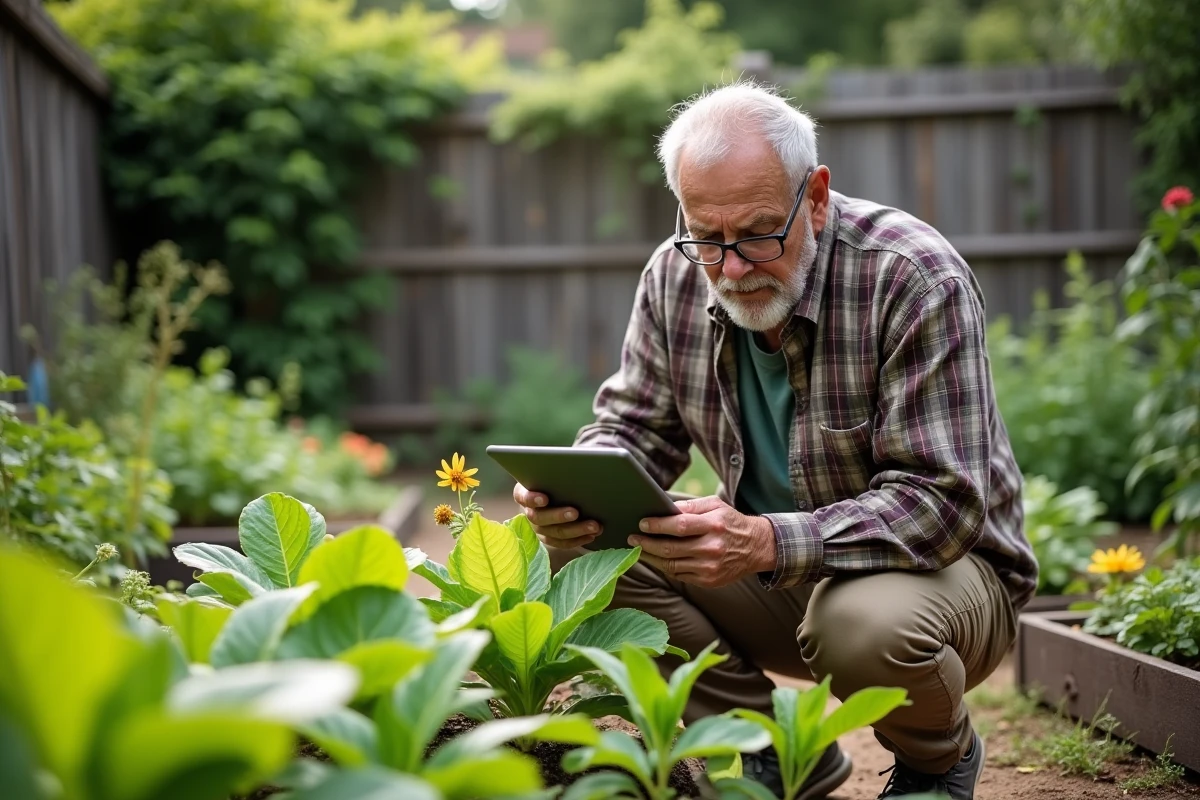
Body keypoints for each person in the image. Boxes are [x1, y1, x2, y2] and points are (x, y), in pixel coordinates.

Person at [512, 82, 1037, 800]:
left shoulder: (912, 277)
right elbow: (633, 426)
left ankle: (935, 764)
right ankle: (771, 752)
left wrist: (766, 540)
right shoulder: (674, 273)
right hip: (777, 576)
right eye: (707, 236)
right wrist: (575, 484)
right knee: (587, 543)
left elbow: (941, 504)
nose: (731, 266)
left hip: (941, 585)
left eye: (758, 233)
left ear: (815, 197)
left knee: (859, 623)